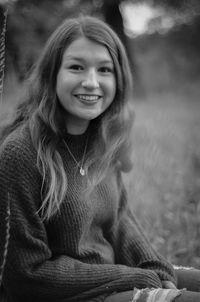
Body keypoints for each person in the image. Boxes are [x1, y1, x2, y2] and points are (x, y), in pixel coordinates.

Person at [0, 15, 199, 302]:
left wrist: (153, 266)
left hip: (113, 275)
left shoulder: (102, 140)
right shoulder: (20, 155)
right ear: (53, 73)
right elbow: (25, 275)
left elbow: (120, 222)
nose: (91, 82)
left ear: (118, 79)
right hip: (68, 295)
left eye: (104, 69)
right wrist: (135, 278)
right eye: (76, 67)